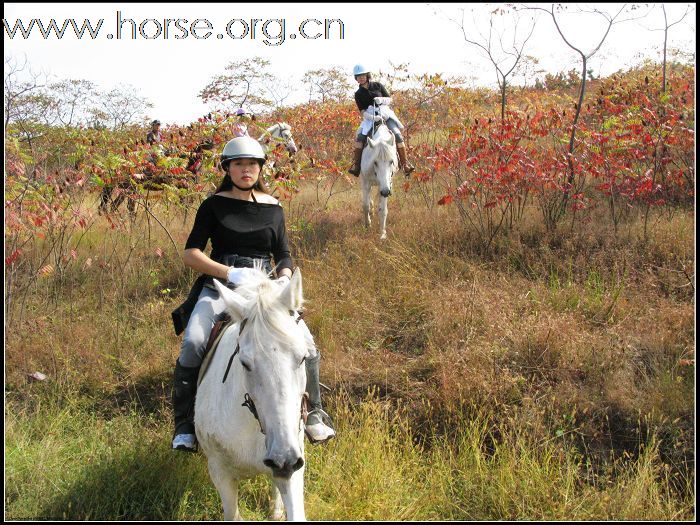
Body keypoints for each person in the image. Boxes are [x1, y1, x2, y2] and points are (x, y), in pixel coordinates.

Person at [170, 135, 336, 452]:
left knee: (307, 344)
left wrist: (285, 278)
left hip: (266, 287)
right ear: (227, 168)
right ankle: (185, 426)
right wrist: (229, 272)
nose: (246, 170)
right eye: (239, 164)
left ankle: (314, 414)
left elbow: (283, 255)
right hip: (221, 285)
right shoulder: (213, 205)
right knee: (193, 341)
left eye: (252, 164)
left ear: (261, 168)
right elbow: (191, 254)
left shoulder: (274, 208)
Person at [348, 64, 415, 177]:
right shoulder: (358, 94)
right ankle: (357, 166)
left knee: (398, 135)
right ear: (356, 78)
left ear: (367, 75)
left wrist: (381, 100)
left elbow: (389, 99)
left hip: (385, 114)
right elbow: (362, 111)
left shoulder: (378, 85)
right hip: (370, 117)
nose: (361, 78)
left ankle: (405, 164)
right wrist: (372, 118)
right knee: (360, 137)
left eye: (363, 75)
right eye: (358, 76)